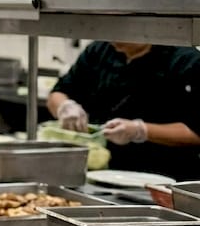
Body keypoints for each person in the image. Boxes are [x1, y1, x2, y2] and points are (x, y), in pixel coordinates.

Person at [48, 40, 200, 181]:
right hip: (101, 176)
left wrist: (140, 130)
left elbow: (196, 133)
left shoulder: (187, 60)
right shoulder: (99, 50)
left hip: (164, 179)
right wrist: (65, 107)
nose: (115, 40)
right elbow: (58, 93)